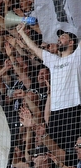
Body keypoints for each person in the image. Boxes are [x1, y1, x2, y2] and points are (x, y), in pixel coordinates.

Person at [18, 25, 81, 153]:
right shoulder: (53, 60)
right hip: (55, 112)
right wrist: (22, 33)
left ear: (71, 42)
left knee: (76, 149)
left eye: (63, 37)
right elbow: (34, 49)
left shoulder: (76, 58)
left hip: (73, 108)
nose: (59, 39)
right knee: (57, 150)